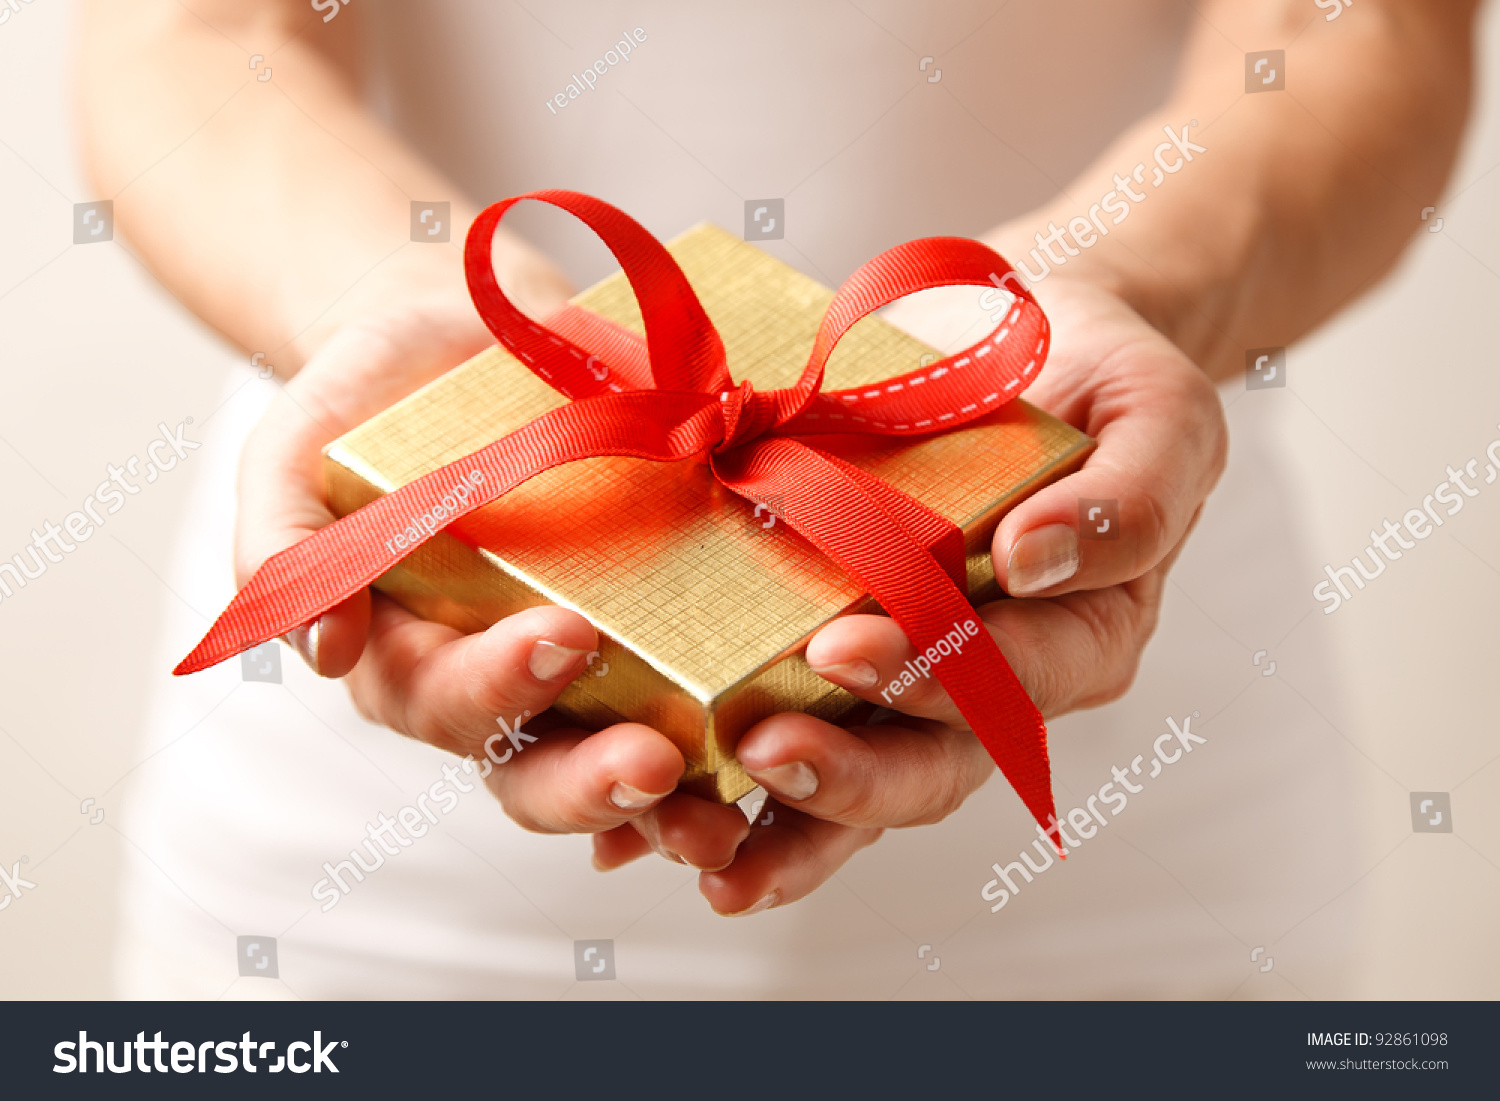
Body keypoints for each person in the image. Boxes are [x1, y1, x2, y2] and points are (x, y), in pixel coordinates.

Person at [77, 0, 1480, 997]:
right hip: (363, 897)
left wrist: (1123, 288)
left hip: (1129, 864)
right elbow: (184, 31)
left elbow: (1361, 25)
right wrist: (369, 298)